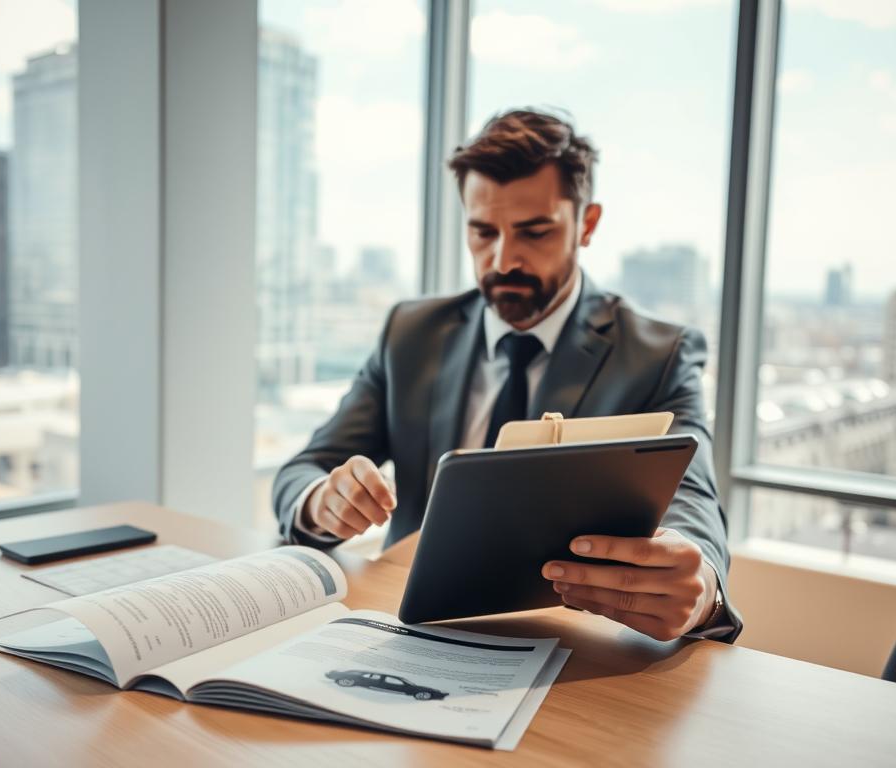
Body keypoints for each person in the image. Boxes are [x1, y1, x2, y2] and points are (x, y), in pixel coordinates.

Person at [273, 109, 741, 643]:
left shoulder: (658, 354)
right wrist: (321, 500)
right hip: (404, 628)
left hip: (571, 643)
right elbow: (305, 467)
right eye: (482, 231)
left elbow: (695, 499)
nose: (503, 259)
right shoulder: (411, 333)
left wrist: (700, 584)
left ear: (586, 224)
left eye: (534, 232)